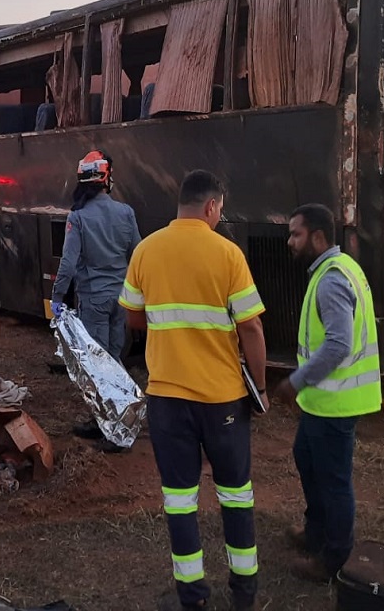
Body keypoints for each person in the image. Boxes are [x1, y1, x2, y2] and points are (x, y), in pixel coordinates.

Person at [119, 170, 268, 611]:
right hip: (222, 397)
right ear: (210, 207)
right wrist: (258, 386)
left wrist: (169, 335)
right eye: (220, 210)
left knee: (180, 501)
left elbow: (132, 317)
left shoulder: (146, 250)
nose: (220, 217)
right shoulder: (227, 254)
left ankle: (193, 596)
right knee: (236, 493)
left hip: (167, 399)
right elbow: (252, 326)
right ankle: (244, 593)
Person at [272, 203, 382, 583]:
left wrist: (294, 382)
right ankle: (315, 533)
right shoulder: (337, 269)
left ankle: (334, 558)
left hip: (335, 402)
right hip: (322, 401)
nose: (290, 241)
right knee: (306, 457)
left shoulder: (333, 279)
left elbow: (337, 345)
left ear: (318, 237)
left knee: (334, 481)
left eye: (296, 234)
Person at [50, 150, 142, 441]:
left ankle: (109, 428)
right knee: (113, 360)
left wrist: (57, 296)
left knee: (98, 369)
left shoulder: (78, 217)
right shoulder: (126, 213)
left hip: (94, 300)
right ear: (106, 179)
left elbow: (67, 263)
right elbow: (137, 254)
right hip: (122, 301)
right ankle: (112, 422)